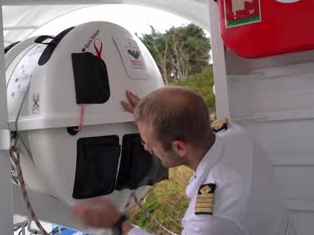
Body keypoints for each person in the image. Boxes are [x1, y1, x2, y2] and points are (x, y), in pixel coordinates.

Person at [72, 87, 296, 235]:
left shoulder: (211, 217)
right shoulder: (236, 134)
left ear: (179, 147)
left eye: (149, 143)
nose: (146, 147)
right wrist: (154, 124)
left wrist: (119, 223)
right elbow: (185, 120)